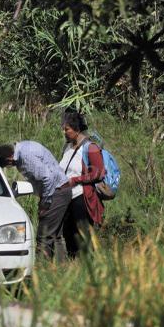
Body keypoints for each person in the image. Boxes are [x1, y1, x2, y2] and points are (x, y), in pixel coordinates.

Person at [0, 141, 72, 262]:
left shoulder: (26, 156)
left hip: (57, 192)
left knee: (44, 235)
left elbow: (48, 178)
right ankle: (61, 266)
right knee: (55, 235)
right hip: (60, 189)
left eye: (7, 165)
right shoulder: (22, 148)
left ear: (9, 159)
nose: (10, 166)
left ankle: (43, 268)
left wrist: (45, 204)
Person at [60, 110, 105, 257]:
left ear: (77, 129)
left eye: (67, 129)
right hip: (67, 198)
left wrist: (76, 180)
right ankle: (74, 267)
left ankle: (90, 269)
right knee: (68, 234)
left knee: (83, 236)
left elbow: (99, 173)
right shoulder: (67, 147)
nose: (64, 132)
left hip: (82, 198)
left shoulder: (90, 148)